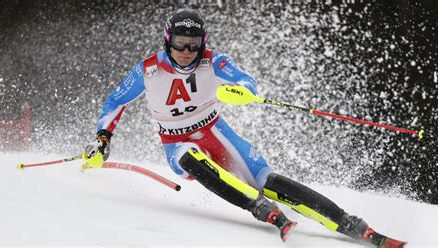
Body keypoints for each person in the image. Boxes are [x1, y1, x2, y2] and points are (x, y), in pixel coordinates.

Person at [83, 8, 406, 247]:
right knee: (188, 156)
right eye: (180, 44)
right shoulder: (148, 70)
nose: (186, 53)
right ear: (168, 42)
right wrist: (102, 139)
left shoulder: (214, 61)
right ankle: (260, 208)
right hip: (176, 141)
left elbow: (246, 81)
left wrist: (241, 92)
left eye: (193, 45)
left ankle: (351, 223)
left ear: (202, 43)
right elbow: (115, 101)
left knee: (268, 179)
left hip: (216, 132)